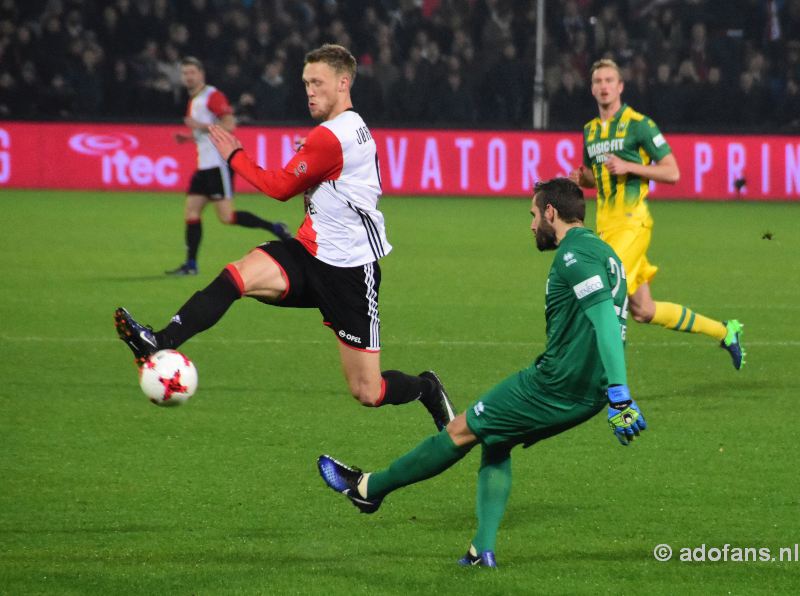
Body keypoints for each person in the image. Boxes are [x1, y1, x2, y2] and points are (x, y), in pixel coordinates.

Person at [115, 44, 455, 431]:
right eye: (306, 83)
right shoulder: (344, 129)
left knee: (368, 391)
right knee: (236, 276)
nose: (309, 90)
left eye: (318, 83)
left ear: (343, 83)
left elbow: (279, 187)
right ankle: (159, 341)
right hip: (309, 253)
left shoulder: (334, 136)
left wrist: (235, 156)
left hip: (348, 273)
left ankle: (427, 389)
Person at [318, 177, 647, 568]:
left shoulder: (573, 257)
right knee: (497, 441)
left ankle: (369, 488)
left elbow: (605, 323)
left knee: (461, 429)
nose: (530, 225)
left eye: (532, 215)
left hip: (554, 385)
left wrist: (621, 393)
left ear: (551, 213)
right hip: (587, 392)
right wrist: (610, 389)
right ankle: (481, 551)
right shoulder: (604, 251)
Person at [569, 58, 745, 369]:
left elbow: (672, 171)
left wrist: (630, 166)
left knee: (602, 288)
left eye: (610, 80)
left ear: (620, 86)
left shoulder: (639, 124)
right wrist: (582, 178)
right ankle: (725, 332)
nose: (604, 86)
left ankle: (607, 381)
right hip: (606, 227)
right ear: (592, 89)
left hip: (633, 223)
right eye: (598, 81)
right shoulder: (590, 131)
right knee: (643, 310)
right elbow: (596, 177)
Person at [167, 56, 290, 276]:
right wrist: (188, 137)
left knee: (227, 217)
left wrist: (199, 126)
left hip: (217, 165)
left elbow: (229, 124)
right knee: (191, 211)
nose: (188, 77)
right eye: (184, 73)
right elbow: (205, 133)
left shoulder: (211, 95)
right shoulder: (193, 100)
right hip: (203, 166)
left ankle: (275, 228)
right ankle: (191, 265)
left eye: (191, 72)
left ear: (201, 74)